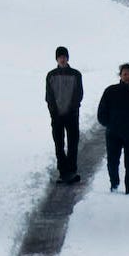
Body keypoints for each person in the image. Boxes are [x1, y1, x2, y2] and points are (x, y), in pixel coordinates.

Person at [95, 62, 129, 193]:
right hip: (113, 133)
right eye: (125, 74)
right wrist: (108, 123)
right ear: (120, 75)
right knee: (112, 162)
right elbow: (102, 111)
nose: (127, 76)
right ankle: (114, 184)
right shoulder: (110, 91)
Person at [43, 47, 84, 182]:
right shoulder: (51, 75)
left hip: (72, 115)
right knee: (59, 144)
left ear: (68, 58)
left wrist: (72, 109)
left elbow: (79, 94)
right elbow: (49, 96)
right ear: (56, 58)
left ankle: (72, 170)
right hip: (56, 116)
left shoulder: (76, 74)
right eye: (60, 57)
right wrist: (54, 111)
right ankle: (62, 171)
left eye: (64, 56)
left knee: (73, 143)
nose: (62, 59)